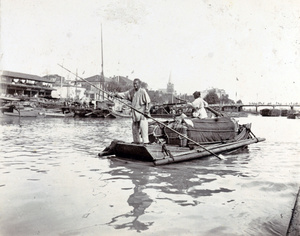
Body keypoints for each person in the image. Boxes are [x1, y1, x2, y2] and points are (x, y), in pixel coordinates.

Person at [114, 78, 151, 144]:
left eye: (136, 84)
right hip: (135, 114)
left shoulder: (143, 91)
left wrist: (147, 111)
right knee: (134, 129)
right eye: (134, 84)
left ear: (139, 84)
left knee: (143, 128)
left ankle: (145, 142)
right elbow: (124, 94)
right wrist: (116, 94)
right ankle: (136, 142)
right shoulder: (132, 91)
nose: (135, 85)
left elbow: (148, 102)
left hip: (142, 114)